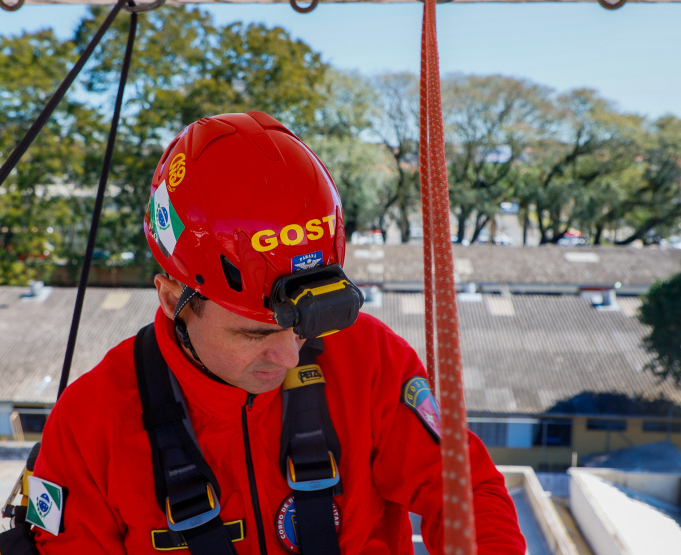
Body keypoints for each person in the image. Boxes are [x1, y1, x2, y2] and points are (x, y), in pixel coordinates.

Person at [30, 111, 525, 554]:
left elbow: (467, 492)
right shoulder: (90, 424)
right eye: (252, 333)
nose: (290, 356)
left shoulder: (368, 360)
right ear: (171, 299)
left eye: (304, 323)